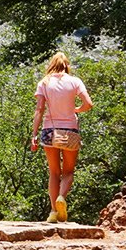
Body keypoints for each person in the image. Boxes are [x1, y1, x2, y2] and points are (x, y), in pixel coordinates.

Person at [30, 52, 93, 222]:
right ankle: (62, 198)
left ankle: (53, 212)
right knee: (68, 171)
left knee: (53, 172)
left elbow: (39, 110)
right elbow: (88, 104)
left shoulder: (44, 83)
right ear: (66, 65)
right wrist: (76, 110)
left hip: (50, 130)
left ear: (51, 65)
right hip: (70, 131)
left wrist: (34, 134)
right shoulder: (75, 81)